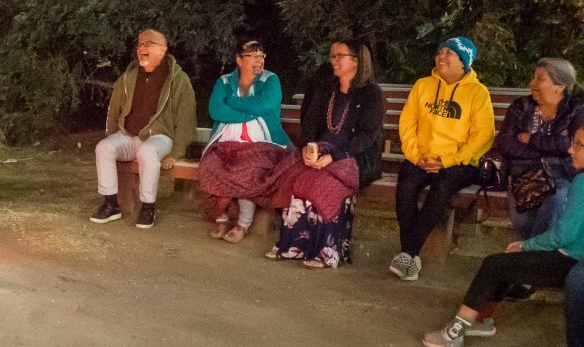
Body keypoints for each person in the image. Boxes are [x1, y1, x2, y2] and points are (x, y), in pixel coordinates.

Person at [422, 122, 584, 347]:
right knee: (505, 265)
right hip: (572, 255)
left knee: (496, 264)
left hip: (570, 258)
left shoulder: (581, 182)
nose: (570, 149)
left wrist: (527, 245)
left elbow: (562, 236)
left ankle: (455, 334)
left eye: (578, 145)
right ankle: (480, 320)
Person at [264, 39, 384, 268]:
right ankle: (294, 246)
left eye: (339, 56)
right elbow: (309, 123)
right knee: (296, 176)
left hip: (353, 157)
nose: (333, 61)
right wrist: (309, 148)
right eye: (332, 56)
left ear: (356, 61)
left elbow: (366, 138)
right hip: (322, 150)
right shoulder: (326, 88)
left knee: (323, 182)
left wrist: (334, 157)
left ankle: (326, 252)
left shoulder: (371, 94)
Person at [390, 37, 495, 281]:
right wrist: (416, 156)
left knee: (443, 185)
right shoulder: (423, 85)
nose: (442, 57)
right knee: (406, 185)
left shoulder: (478, 93)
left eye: (450, 53)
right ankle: (410, 257)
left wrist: (449, 160)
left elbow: (483, 135)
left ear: (464, 62)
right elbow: (408, 122)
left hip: (459, 162)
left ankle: (408, 252)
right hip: (422, 158)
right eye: (440, 52)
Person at [90, 29, 197, 229]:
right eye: (139, 45)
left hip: (160, 137)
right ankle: (111, 204)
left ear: (162, 49)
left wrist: (176, 153)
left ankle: (148, 206)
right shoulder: (128, 76)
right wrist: (111, 135)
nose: (141, 48)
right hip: (129, 135)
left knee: (147, 152)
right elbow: (114, 110)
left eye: (147, 44)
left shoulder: (178, 79)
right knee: (104, 148)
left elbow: (186, 119)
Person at [197, 39, 291, 243]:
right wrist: (250, 112)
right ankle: (221, 218)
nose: (259, 60)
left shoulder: (270, 80)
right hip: (226, 144)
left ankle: (243, 223)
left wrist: (232, 102)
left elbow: (267, 103)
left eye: (261, 55)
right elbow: (216, 110)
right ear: (239, 59)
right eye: (253, 55)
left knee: (248, 170)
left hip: (262, 145)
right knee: (209, 166)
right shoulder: (224, 82)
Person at [497, 58, 581, 239]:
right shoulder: (520, 106)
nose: (532, 84)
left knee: (556, 200)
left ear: (559, 85)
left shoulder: (577, 108)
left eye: (540, 79)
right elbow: (505, 143)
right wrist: (550, 145)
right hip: (523, 173)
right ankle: (534, 254)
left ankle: (533, 256)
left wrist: (530, 139)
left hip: (562, 175)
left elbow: (572, 145)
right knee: (523, 224)